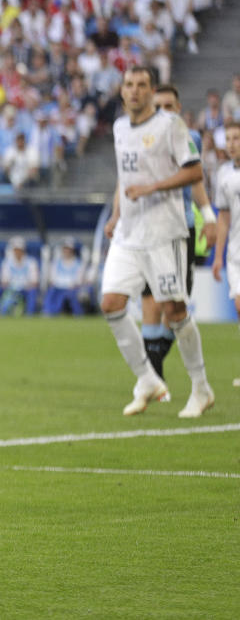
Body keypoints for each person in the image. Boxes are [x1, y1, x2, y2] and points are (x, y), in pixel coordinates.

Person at [101, 66, 214, 418]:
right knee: (111, 303)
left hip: (164, 233)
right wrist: (117, 214)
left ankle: (201, 388)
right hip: (128, 234)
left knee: (175, 311)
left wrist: (151, 188)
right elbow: (125, 176)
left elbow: (194, 171)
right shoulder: (120, 128)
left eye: (142, 85)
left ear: (151, 91)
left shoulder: (170, 126)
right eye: (129, 85)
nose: (134, 91)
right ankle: (147, 378)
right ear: (122, 91)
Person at [136, 85, 217, 387]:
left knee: (177, 304)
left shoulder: (189, 138)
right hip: (147, 228)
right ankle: (153, 378)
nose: (165, 112)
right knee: (149, 299)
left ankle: (155, 366)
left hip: (182, 227)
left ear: (180, 109)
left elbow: (197, 181)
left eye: (170, 106)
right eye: (160, 107)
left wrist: (208, 216)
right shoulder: (138, 139)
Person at [211, 122, 240, 388]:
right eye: (228, 138)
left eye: (236, 138)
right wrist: (218, 256)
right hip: (235, 254)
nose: (231, 143)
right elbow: (223, 217)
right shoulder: (223, 175)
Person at [42, 238, 86, 316]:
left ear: (72, 251)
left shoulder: (78, 264)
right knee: (51, 292)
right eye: (65, 249)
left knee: (72, 295)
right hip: (58, 287)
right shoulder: (56, 262)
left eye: (69, 249)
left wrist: (73, 285)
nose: (67, 251)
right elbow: (52, 278)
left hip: (71, 288)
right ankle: (49, 311)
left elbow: (79, 280)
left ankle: (78, 313)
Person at [0, 236, 39, 316]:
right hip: (12, 289)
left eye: (20, 250)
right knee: (5, 299)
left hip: (26, 289)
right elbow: (4, 281)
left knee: (32, 291)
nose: (18, 252)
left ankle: (30, 314)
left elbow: (34, 282)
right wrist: (12, 287)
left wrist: (26, 286)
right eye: (16, 250)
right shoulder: (7, 262)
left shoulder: (31, 262)